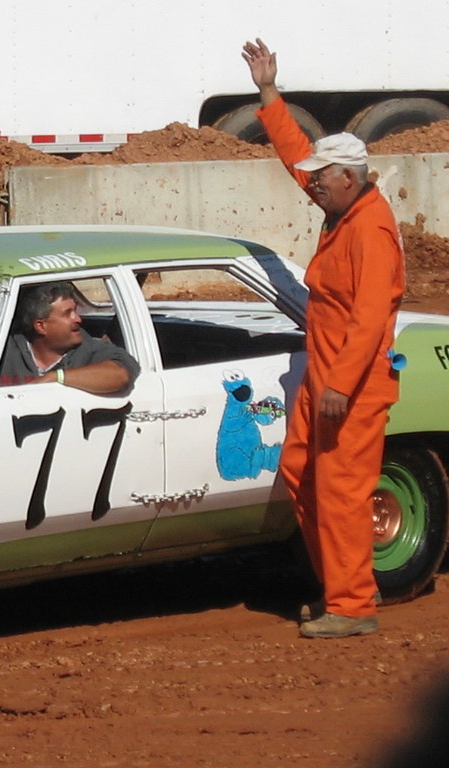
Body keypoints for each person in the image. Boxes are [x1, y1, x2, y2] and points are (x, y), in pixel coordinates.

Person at [242, 39, 405, 638]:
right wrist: (268, 94)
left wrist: (337, 382)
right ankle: (339, 589)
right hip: (325, 377)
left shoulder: (372, 230)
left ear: (347, 177)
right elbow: (297, 160)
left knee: (340, 490)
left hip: (350, 386)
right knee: (301, 473)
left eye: (320, 180)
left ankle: (353, 606)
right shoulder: (342, 205)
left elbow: (369, 320)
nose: (310, 187)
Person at [0, 281, 139, 393]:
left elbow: (120, 375)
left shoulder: (90, 349)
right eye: (67, 313)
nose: (78, 319)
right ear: (41, 326)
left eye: (75, 311)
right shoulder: (1, 352)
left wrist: (56, 377)